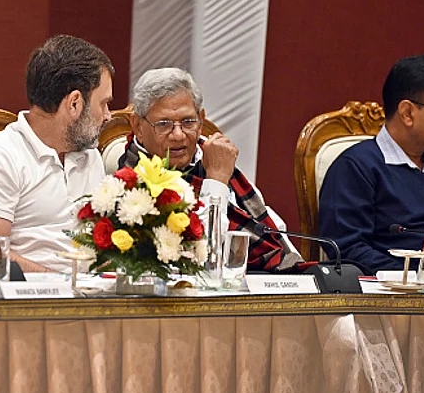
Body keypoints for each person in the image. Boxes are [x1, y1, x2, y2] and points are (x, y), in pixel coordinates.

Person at [0, 35, 114, 273]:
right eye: (103, 104)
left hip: (95, 296)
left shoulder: (90, 157)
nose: (108, 115)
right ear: (74, 104)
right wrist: (65, 286)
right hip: (28, 303)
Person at [319, 54, 424, 272]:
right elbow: (348, 249)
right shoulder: (356, 167)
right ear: (408, 113)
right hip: (390, 297)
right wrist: (416, 280)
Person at [120, 68, 303, 272]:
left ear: (201, 121)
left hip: (264, 280)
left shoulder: (209, 153)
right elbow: (203, 258)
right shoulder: (133, 180)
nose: (179, 135)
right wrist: (216, 180)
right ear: (137, 126)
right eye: (164, 124)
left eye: (188, 121)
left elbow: (271, 227)